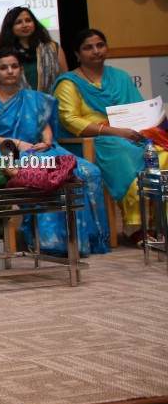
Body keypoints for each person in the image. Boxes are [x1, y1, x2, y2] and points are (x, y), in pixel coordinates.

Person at [0, 48, 110, 256]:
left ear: (21, 70)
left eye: (14, 66)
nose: (9, 71)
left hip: (42, 150)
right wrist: (16, 142)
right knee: (46, 176)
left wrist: (46, 141)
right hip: (9, 154)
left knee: (87, 172)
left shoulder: (34, 98)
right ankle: (48, 241)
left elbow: (43, 126)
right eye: (3, 68)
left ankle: (86, 240)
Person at [54, 28, 168, 246]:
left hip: (128, 137)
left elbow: (138, 110)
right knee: (119, 148)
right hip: (89, 142)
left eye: (100, 45)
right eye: (88, 47)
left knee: (161, 152)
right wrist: (113, 131)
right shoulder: (68, 83)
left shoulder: (120, 77)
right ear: (77, 54)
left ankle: (160, 224)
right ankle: (136, 226)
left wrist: (141, 128)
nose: (96, 51)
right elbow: (69, 119)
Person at [0, 6, 68, 94]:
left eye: (28, 20)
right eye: (18, 22)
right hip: (17, 104)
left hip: (52, 103)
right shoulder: (4, 53)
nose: (25, 25)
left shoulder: (52, 47)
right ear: (10, 27)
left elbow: (66, 79)